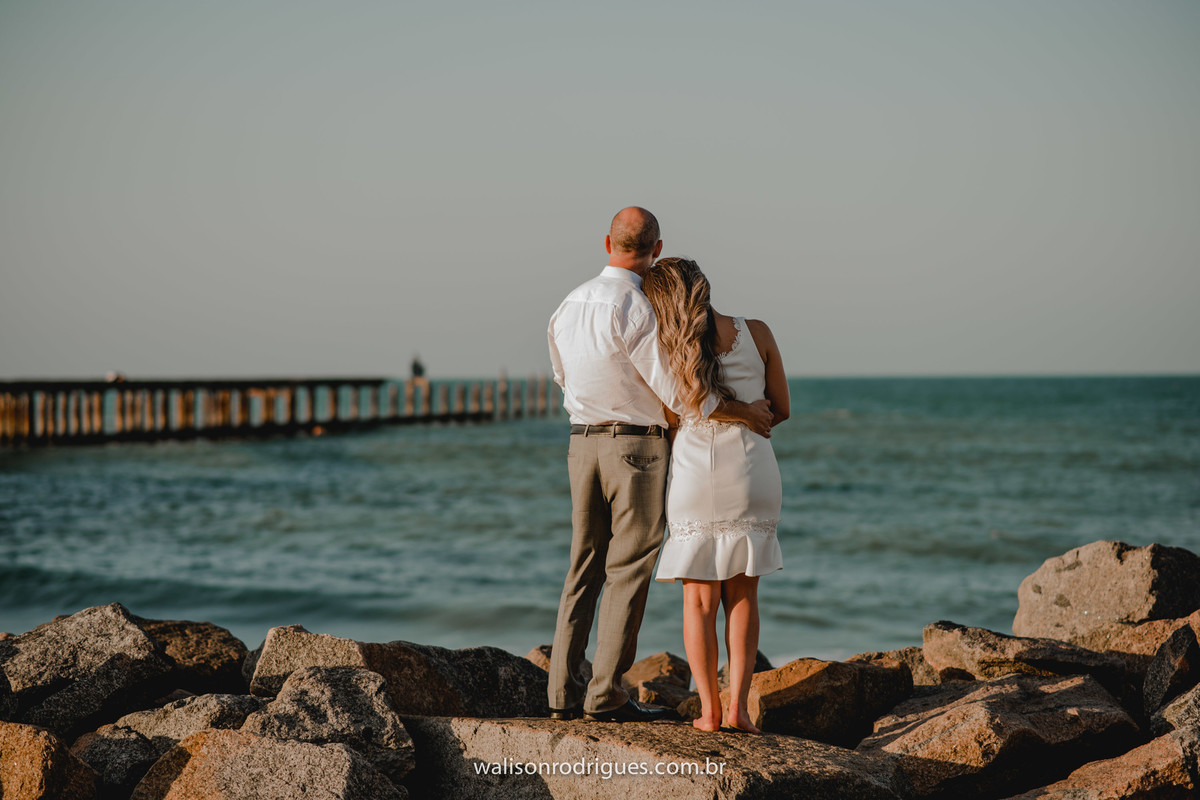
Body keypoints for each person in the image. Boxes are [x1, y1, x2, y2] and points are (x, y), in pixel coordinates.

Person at [547, 208, 773, 723]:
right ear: (655, 248)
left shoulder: (569, 303)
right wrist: (742, 410)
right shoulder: (638, 305)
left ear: (607, 241)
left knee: (583, 564)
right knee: (629, 567)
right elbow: (680, 392)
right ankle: (604, 697)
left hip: (581, 442)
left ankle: (561, 692)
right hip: (635, 447)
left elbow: (561, 376)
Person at [642, 257, 790, 733]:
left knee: (699, 601)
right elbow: (781, 410)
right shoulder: (758, 332)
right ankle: (739, 711)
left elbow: (670, 419)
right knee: (744, 594)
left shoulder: (668, 348)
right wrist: (749, 417)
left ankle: (707, 712)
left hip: (693, 477)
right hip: (752, 472)